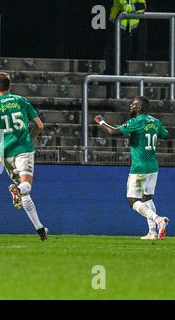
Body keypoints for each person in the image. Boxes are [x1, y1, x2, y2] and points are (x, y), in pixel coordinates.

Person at [0, 72, 48, 241]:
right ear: (9, 86)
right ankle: (17, 190)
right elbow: (40, 125)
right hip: (23, 149)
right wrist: (30, 138)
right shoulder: (22, 101)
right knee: (26, 187)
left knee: (25, 193)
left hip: (5, 153)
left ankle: (40, 230)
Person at [94, 96, 169, 240]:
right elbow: (165, 135)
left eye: (133, 105)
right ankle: (152, 232)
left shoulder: (137, 122)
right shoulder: (156, 121)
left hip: (140, 168)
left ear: (140, 108)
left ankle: (158, 220)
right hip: (153, 166)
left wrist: (101, 122)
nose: (131, 107)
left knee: (132, 201)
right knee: (146, 199)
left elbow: (113, 132)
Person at [103, 0, 146, 76]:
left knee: (125, 52)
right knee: (112, 53)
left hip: (128, 28)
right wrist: (136, 6)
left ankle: (121, 75)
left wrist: (135, 7)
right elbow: (124, 7)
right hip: (115, 24)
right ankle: (110, 76)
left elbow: (143, 6)